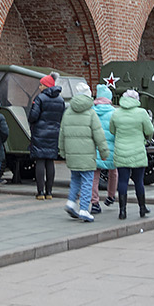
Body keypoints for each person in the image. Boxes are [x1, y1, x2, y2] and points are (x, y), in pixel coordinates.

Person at [59, 89, 110, 222]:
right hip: (87, 155)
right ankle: (84, 209)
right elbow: (99, 134)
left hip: (72, 154)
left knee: (75, 179)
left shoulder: (68, 112)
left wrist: (63, 151)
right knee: (88, 181)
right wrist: (104, 152)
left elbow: (62, 133)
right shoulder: (91, 113)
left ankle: (71, 202)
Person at [109, 89, 154, 219]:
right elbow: (149, 130)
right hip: (137, 151)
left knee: (122, 181)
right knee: (138, 181)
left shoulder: (116, 113)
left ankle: (122, 211)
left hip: (121, 151)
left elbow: (112, 130)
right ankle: (142, 208)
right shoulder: (142, 113)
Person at [27, 75, 65, 201]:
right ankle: (49, 192)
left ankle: (40, 192)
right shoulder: (60, 100)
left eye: (41, 84)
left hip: (40, 133)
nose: (39, 87)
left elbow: (33, 116)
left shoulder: (40, 98)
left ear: (46, 85)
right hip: (53, 133)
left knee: (40, 161)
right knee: (50, 162)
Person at [89, 84, 118, 216]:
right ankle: (111, 195)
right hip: (110, 147)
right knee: (113, 171)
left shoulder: (91, 111)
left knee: (94, 176)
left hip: (95, 147)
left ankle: (94, 203)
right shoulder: (114, 112)